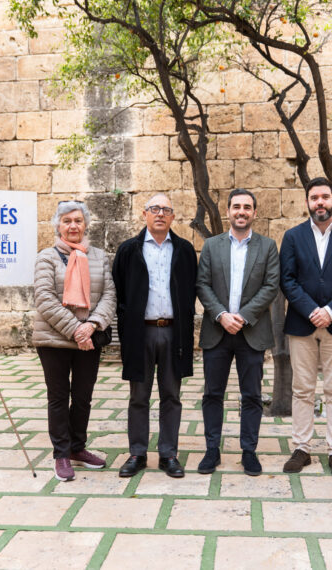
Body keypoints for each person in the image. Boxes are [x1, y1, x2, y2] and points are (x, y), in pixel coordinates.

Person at [279, 177, 332, 478]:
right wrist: (311, 310)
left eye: (325, 197)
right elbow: (287, 279)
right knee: (302, 389)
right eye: (314, 197)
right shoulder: (293, 236)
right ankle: (301, 448)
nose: (320, 202)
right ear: (307, 202)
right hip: (301, 323)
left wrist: (330, 310)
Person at [196, 189, 280, 476]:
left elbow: (271, 286)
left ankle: (249, 451)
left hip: (251, 332)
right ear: (228, 211)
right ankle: (212, 450)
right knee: (212, 394)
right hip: (217, 331)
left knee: (252, 395)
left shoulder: (268, 246)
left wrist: (242, 317)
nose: (241, 211)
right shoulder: (211, 246)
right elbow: (202, 284)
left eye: (247, 207)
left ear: (255, 212)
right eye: (236, 206)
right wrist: (222, 315)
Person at [113, 193, 197, 478]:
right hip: (141, 333)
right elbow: (119, 293)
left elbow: (191, 289)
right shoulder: (129, 250)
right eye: (154, 209)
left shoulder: (184, 250)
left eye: (166, 210)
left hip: (174, 332)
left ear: (173, 216)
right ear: (144, 214)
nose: (160, 214)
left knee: (171, 395)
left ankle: (168, 454)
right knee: (139, 395)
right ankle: (137, 453)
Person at [33, 201, 115, 482]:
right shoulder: (46, 257)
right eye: (67, 221)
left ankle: (77, 447)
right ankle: (61, 454)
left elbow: (109, 295)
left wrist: (91, 325)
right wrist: (76, 330)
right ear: (58, 225)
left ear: (85, 224)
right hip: (54, 340)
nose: (73, 226)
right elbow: (44, 298)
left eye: (78, 221)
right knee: (58, 397)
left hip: (88, 339)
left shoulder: (99, 257)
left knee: (83, 397)